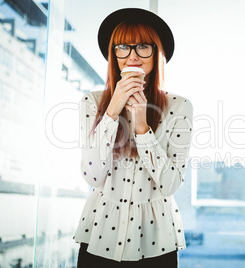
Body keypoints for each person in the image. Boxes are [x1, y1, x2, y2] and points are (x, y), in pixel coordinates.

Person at [73, 8, 193, 268]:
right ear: (114, 55)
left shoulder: (179, 107)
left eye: (143, 47)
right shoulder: (92, 102)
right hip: (100, 233)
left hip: (155, 242)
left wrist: (141, 126)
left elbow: (171, 184)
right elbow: (92, 176)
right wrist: (112, 111)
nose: (132, 57)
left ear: (156, 53)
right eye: (123, 47)